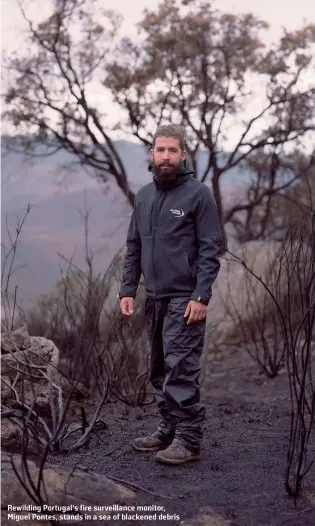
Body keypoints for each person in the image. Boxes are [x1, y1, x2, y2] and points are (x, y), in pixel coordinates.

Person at [119, 124, 222, 465]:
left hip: (185, 298)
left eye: (172, 151)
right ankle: (168, 427)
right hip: (155, 297)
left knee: (181, 368)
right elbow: (134, 245)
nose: (165, 156)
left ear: (183, 155)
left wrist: (201, 296)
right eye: (160, 150)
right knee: (159, 368)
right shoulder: (145, 195)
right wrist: (128, 289)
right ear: (151, 154)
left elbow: (211, 249)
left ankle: (189, 439)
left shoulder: (198, 194)